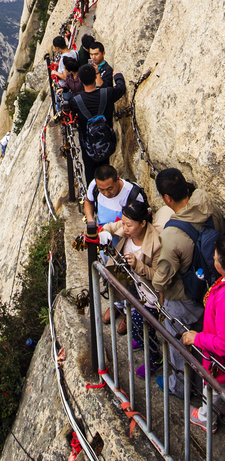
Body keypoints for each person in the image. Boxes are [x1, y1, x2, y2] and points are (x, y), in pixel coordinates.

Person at [152, 168, 224, 399]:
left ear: (166, 199)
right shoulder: (209, 206)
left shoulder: (172, 234)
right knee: (206, 341)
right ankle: (207, 385)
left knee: (179, 346)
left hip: (184, 298)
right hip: (212, 288)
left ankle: (180, 387)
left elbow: (162, 276)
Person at [99, 195, 162, 366]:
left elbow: (157, 277)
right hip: (130, 282)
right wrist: (105, 230)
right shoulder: (128, 227)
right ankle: (139, 334)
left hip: (147, 293)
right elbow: (114, 225)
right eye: (124, 223)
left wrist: (138, 265)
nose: (125, 228)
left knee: (138, 328)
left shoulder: (155, 244)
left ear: (142, 223)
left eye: (129, 225)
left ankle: (155, 358)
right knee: (131, 312)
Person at [183, 233, 225, 433]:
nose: (214, 258)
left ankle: (206, 419)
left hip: (219, 362)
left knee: (214, 390)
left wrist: (196, 338)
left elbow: (222, 344)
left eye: (216, 256)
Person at [70, 67, 125, 184]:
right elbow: (121, 88)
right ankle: (108, 190)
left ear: (80, 80)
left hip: (87, 144)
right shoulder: (108, 93)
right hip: (106, 140)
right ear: (96, 76)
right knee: (105, 166)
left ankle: (94, 194)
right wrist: (118, 76)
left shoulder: (76, 101)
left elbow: (71, 113)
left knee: (90, 172)